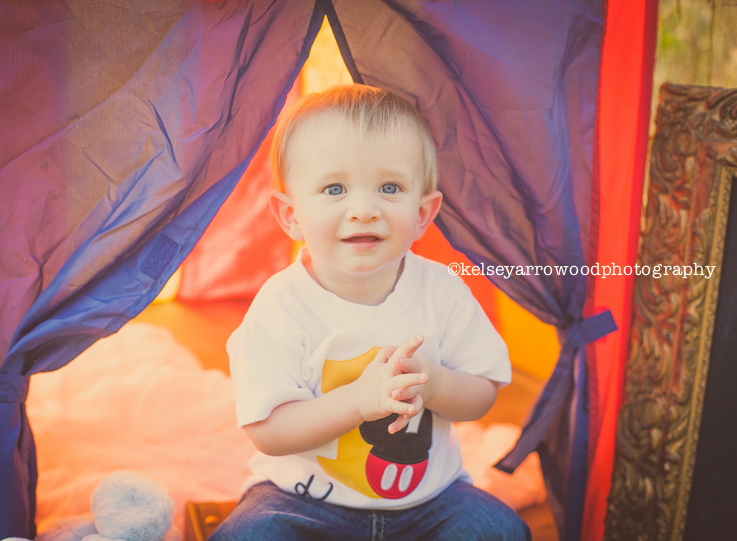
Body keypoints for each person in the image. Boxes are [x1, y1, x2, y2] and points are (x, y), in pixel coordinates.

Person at [211, 85, 530, 540]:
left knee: (498, 529)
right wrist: (359, 402)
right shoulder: (281, 305)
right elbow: (269, 431)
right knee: (250, 535)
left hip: (430, 502)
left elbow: (483, 392)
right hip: (302, 500)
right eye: (334, 189)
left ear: (423, 214)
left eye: (389, 188)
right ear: (291, 215)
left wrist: (436, 383)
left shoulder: (442, 291)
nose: (363, 210)